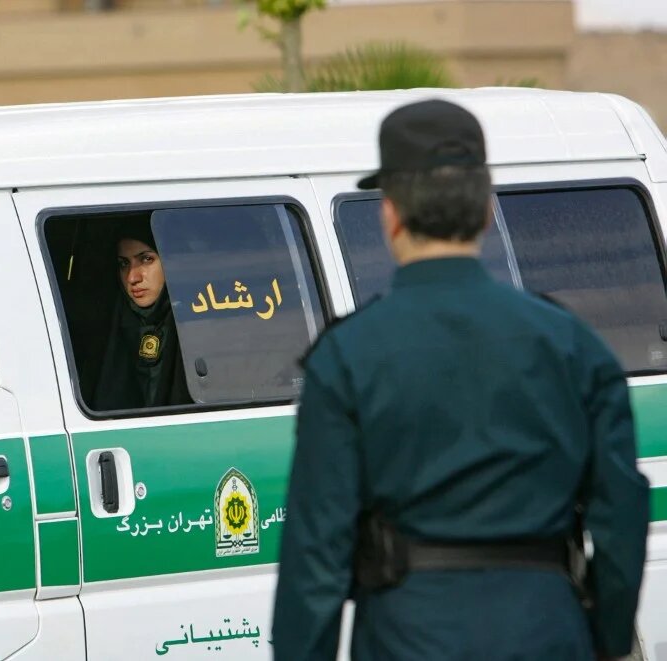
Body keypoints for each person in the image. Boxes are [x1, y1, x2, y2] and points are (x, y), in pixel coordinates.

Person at [272, 99, 649, 661]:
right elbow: (621, 509)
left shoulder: (346, 357)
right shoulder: (573, 345)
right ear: (486, 210)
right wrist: (607, 634)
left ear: (390, 216)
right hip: (547, 632)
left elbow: (315, 553)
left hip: (406, 638)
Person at [90, 217, 190, 410]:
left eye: (146, 259)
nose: (132, 277)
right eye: (123, 264)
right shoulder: (107, 327)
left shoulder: (198, 322)